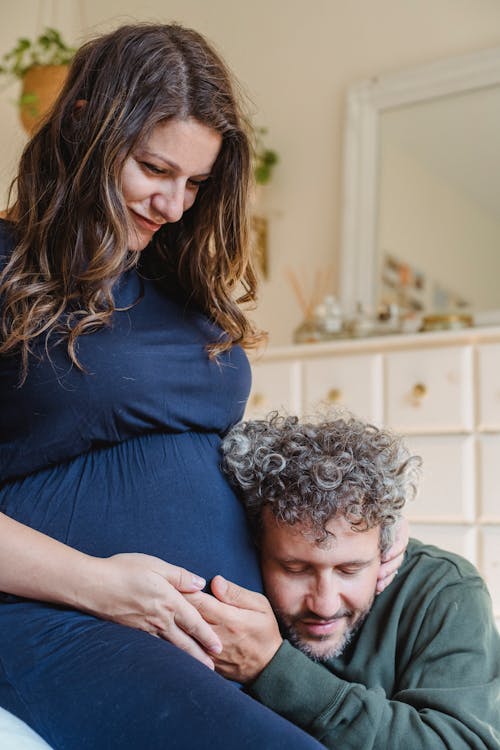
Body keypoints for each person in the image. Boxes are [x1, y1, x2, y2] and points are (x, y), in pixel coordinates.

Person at [0, 22, 336, 750]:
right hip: (57, 615)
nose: (175, 205)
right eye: (154, 169)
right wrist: (101, 585)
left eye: (196, 183)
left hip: (217, 631)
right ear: (84, 127)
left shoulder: (178, 288)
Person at [188, 412, 500, 750]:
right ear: (256, 545)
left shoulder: (445, 590)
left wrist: (272, 667)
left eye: (350, 570)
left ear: (387, 548)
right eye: (295, 569)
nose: (324, 604)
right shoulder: (234, 570)